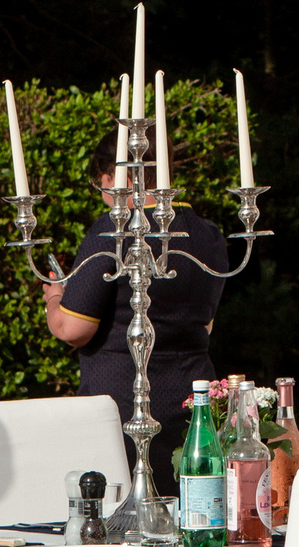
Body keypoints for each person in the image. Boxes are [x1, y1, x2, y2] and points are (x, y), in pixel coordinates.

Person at [40, 135, 229, 492]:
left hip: (119, 407)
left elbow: (72, 327)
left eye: (102, 185)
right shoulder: (209, 235)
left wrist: (55, 296)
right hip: (193, 407)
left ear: (113, 175)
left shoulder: (114, 230)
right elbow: (205, 323)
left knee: (119, 521)